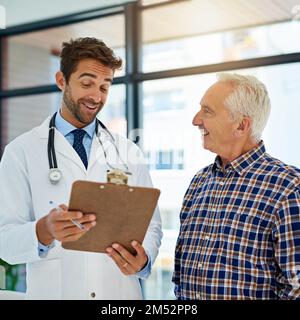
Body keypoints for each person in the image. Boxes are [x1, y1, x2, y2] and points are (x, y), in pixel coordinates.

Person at [0, 37, 162, 300]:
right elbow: (4, 240)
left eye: (105, 87)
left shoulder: (128, 152)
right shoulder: (21, 152)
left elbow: (152, 226)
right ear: (62, 80)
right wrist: (44, 230)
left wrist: (143, 259)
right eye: (87, 83)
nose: (96, 96)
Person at [172, 73, 300, 300]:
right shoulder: (198, 183)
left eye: (207, 111)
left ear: (241, 125)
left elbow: (295, 289)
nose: (196, 120)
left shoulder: (288, 188)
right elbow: (180, 276)